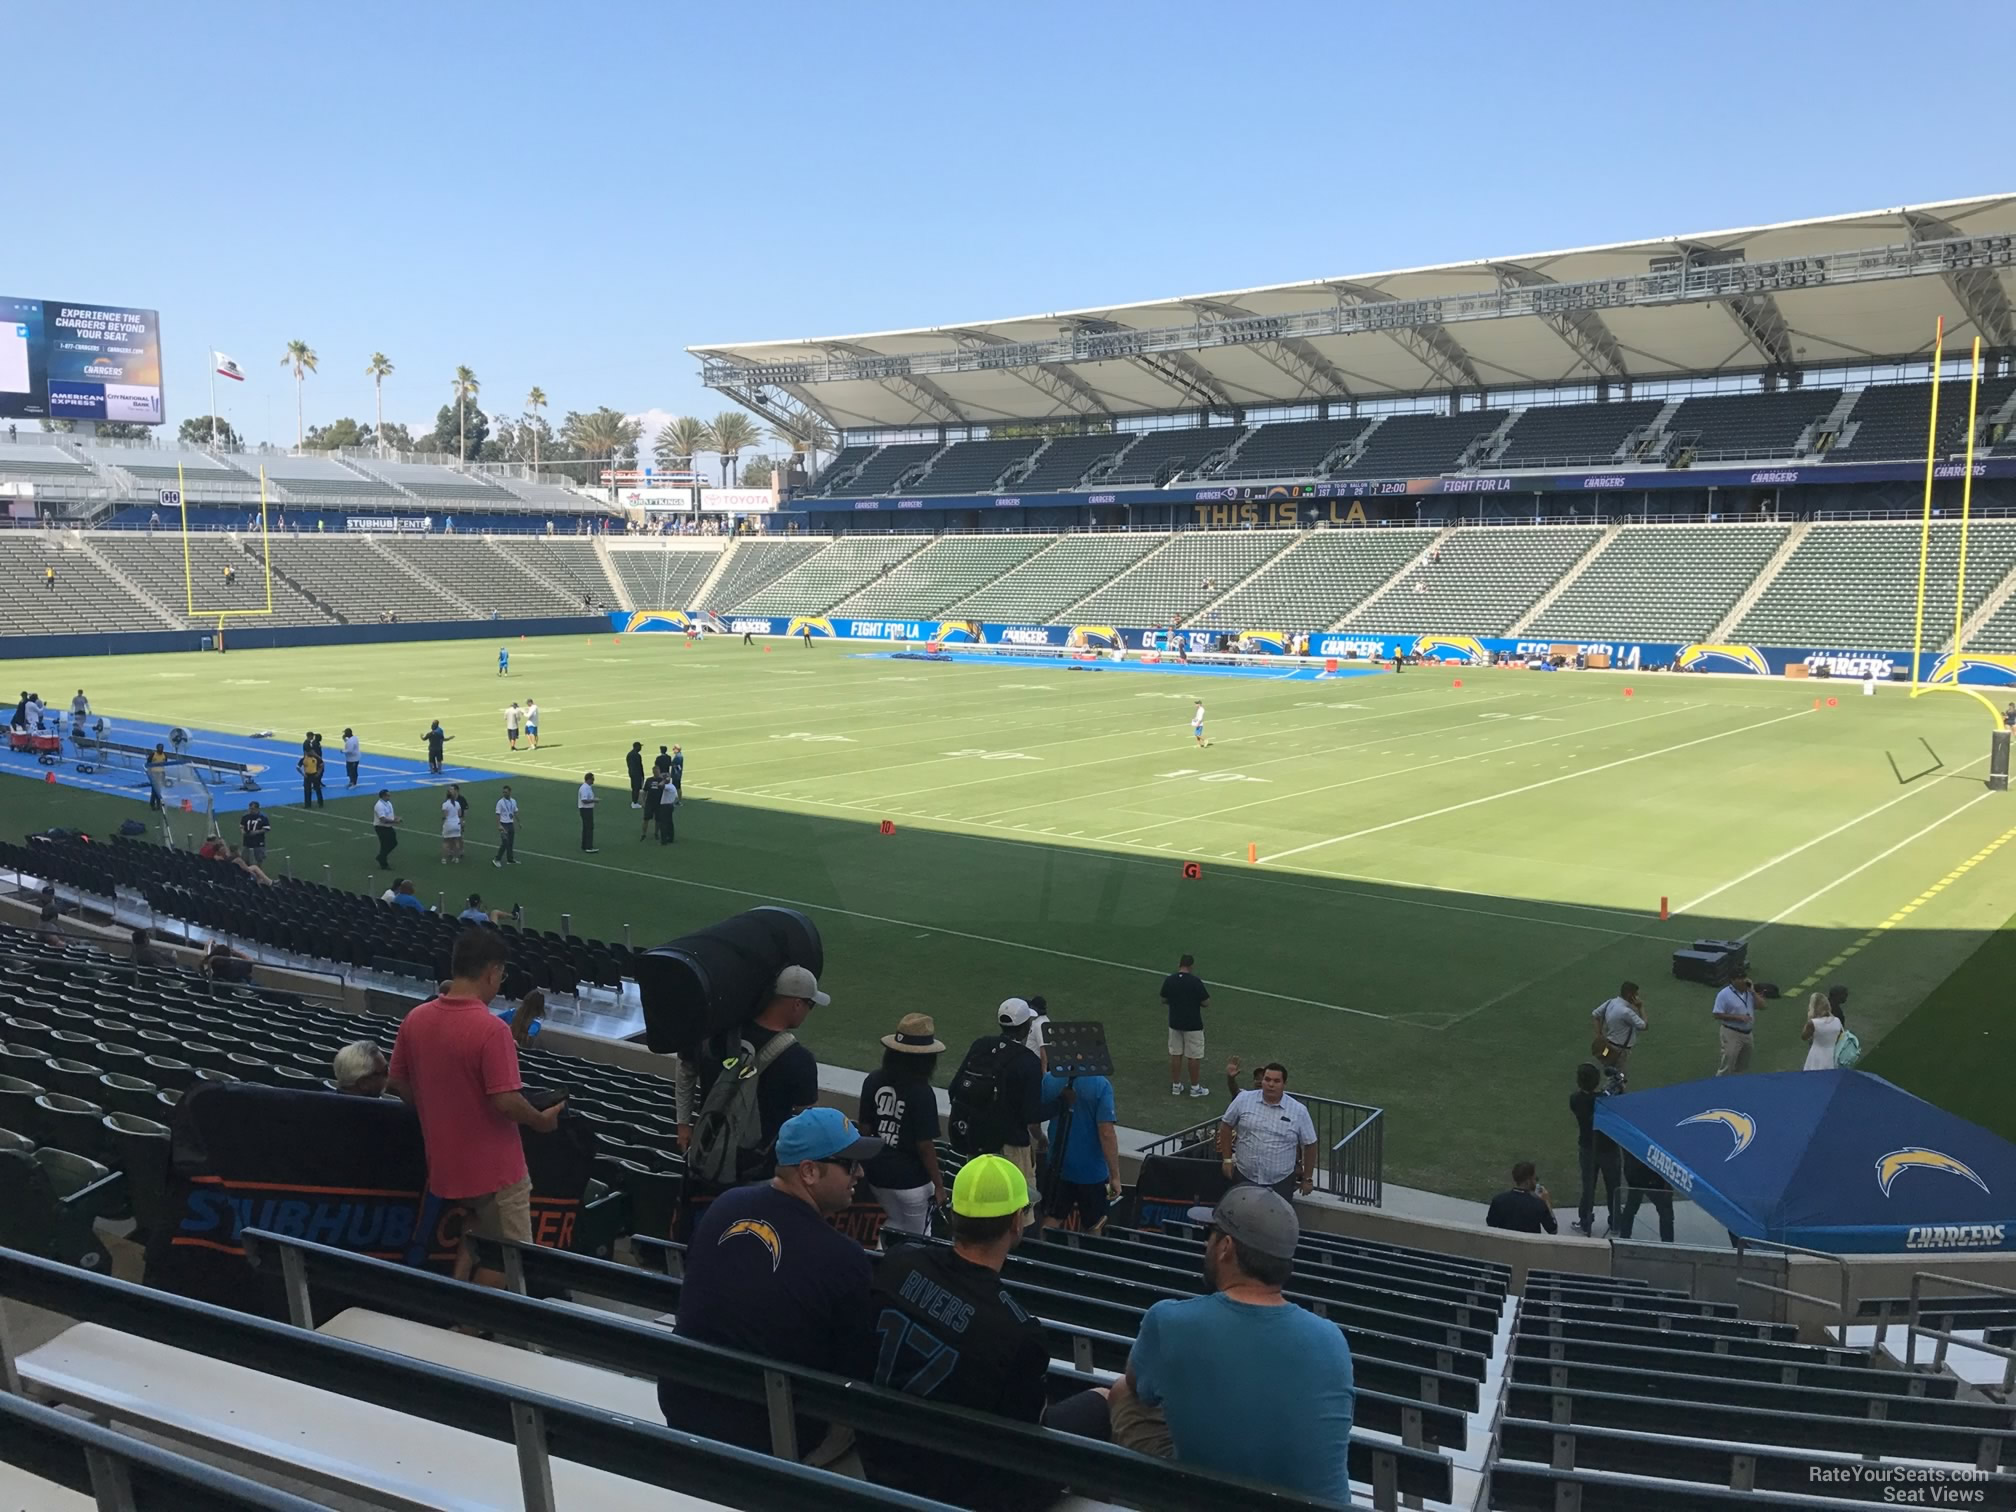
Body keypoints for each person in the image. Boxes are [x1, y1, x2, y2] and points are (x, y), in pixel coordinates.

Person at [1049, 1186, 1354, 1501]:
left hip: (1207, 1499)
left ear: (1225, 1247)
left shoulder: (1170, 1321)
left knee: (1122, 1392)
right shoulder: (1332, 1339)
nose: (1205, 1243)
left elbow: (1137, 1387)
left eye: (1210, 1234)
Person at [656, 1107, 880, 1458]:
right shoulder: (844, 1258)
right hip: (768, 1432)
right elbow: (852, 1372)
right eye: (849, 1164)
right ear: (808, 1172)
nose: (860, 1173)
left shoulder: (724, 1205)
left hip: (681, 1401)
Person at [856, 1155, 1059, 1510]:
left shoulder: (900, 1260)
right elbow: (1024, 1445)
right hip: (952, 1485)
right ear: (1015, 1222)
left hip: (876, 1450)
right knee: (1101, 1402)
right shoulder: (1019, 1331)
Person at [387, 929, 565, 1285]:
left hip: (445, 1168)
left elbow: (399, 1082)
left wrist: (441, 1108)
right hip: (495, 1173)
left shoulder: (416, 1018)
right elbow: (506, 1101)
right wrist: (540, 1121)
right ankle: (475, 1330)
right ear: (492, 971)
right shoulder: (491, 1030)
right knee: (510, 1262)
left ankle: (459, 1317)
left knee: (477, 1233)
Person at [676, 965, 828, 1170]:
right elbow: (806, 1122)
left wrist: (683, 1124)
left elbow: (686, 1068)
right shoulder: (799, 1059)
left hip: (706, 1157)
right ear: (797, 1004)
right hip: (759, 1171)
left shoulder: (717, 1034)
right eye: (811, 1005)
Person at [857, 1013, 948, 1238]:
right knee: (918, 1239)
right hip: (912, 1183)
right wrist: (938, 1185)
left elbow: (864, 1130)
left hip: (877, 1176)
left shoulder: (873, 1080)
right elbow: (925, 1146)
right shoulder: (922, 1092)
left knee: (890, 1228)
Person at [954, 1000, 1047, 1209]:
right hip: (1010, 1147)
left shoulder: (981, 1045)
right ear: (1025, 1027)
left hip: (977, 1139)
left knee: (979, 1203)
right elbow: (1032, 1115)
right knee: (1017, 1209)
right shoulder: (1028, 1062)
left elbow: (955, 1088)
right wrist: (1063, 1103)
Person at [1040, 1058, 1121, 1233]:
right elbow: (1106, 1133)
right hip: (1093, 1173)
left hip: (1058, 1166)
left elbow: (1034, 1118)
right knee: (1095, 1224)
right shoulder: (1101, 1084)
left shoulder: (1050, 1078)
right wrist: (1115, 1176)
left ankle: (1042, 1253)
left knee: (1051, 1218)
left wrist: (1040, 1138)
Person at [1218, 1064, 1316, 1200]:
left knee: (1276, 1221)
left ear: (1284, 1084)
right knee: (1241, 1218)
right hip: (1244, 1176)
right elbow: (1226, 1126)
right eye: (1267, 1079)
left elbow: (1310, 1144)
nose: (1271, 1084)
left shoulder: (1299, 1111)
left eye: (1276, 1081)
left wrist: (1307, 1179)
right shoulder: (1243, 1099)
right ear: (1262, 1081)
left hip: (1280, 1183)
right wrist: (1227, 1160)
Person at [1568, 1063, 1619, 1237]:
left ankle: (1585, 1222)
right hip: (1609, 1149)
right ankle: (1616, 1222)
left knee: (1588, 1187)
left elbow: (1591, 1099)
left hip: (1587, 1148)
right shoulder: (1604, 1101)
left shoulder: (1575, 1099)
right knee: (1614, 1187)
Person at [1160, 953, 1210, 1097]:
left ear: (1179, 965)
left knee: (1176, 1054)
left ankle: (1176, 1085)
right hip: (1193, 1024)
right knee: (1193, 1056)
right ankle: (1195, 1087)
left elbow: (1163, 999)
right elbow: (1206, 1002)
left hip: (1175, 1022)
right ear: (1191, 966)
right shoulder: (1195, 982)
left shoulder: (1170, 980)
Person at [1590, 981, 1647, 1090]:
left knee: (1609, 1071)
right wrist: (1641, 1007)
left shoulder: (1610, 1002)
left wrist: (1599, 1035)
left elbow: (1595, 1015)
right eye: (1636, 995)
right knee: (1620, 1079)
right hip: (1620, 1051)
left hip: (1607, 1047)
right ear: (1630, 995)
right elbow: (1644, 1026)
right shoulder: (1626, 1012)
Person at [1615, 1148, 1675, 1243]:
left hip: (1637, 1174)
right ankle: (1668, 1244)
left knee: (1631, 1206)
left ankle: (1624, 1238)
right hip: (1652, 1177)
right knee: (1665, 1212)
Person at [1712, 966, 1762, 1076]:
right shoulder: (1724, 994)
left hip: (1748, 1034)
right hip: (1731, 1032)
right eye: (1739, 978)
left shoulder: (1749, 992)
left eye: (1744, 977)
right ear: (1732, 980)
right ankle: (1720, 1086)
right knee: (1728, 1063)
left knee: (1743, 1065)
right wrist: (1737, 1017)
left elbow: (1762, 1006)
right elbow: (1716, 1014)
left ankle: (1737, 1087)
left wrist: (1753, 992)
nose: (1743, 980)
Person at [1485, 1162, 1558, 1233]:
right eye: (1535, 1178)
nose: (1536, 1182)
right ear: (1528, 1182)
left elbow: (1491, 1225)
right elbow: (1553, 1230)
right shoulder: (1538, 1205)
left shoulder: (1498, 1200)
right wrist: (1547, 1202)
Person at [1801, 991, 1846, 1071]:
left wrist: (1810, 1018)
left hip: (1816, 1056)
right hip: (1831, 1055)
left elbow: (1804, 1036)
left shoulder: (1813, 1023)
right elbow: (1840, 1037)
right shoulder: (1837, 1020)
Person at [372, 791, 400, 868]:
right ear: (383, 796)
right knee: (385, 845)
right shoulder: (379, 806)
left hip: (388, 827)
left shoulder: (388, 803)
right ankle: (382, 861)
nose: (389, 797)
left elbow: (389, 814)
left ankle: (381, 857)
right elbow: (382, 819)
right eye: (388, 795)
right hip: (381, 827)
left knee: (393, 843)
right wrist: (394, 821)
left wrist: (395, 817)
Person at [493, 784, 519, 866]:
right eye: (503, 792)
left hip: (510, 823)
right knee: (505, 842)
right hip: (503, 824)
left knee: (510, 842)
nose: (504, 794)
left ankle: (510, 859)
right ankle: (497, 859)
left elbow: (515, 812)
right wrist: (499, 825)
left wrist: (519, 822)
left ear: (510, 792)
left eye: (506, 792)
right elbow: (497, 814)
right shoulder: (500, 802)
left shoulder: (513, 801)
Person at [239, 801, 271, 866]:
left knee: (259, 858)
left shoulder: (263, 817)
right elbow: (242, 826)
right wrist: (243, 832)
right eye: (250, 808)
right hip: (247, 840)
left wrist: (256, 832)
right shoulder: (245, 816)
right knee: (245, 858)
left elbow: (267, 828)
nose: (251, 810)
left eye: (252, 809)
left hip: (258, 841)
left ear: (257, 809)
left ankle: (259, 871)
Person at [440, 790, 465, 864]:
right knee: (456, 841)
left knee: (446, 842)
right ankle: (456, 858)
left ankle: (444, 859)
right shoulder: (457, 803)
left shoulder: (445, 804)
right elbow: (460, 814)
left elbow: (445, 815)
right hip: (456, 824)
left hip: (449, 824)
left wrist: (442, 819)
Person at [577, 772, 598, 852]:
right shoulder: (585, 788)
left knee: (586, 827)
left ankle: (585, 845)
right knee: (589, 827)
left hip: (586, 809)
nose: (593, 781)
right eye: (592, 779)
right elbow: (584, 800)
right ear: (588, 779)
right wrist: (594, 800)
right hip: (586, 809)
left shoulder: (587, 787)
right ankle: (588, 846)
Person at [625, 741, 646, 808]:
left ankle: (634, 801)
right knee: (636, 788)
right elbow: (640, 766)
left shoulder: (629, 754)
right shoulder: (637, 755)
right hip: (637, 774)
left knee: (634, 788)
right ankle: (635, 802)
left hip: (632, 773)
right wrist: (642, 775)